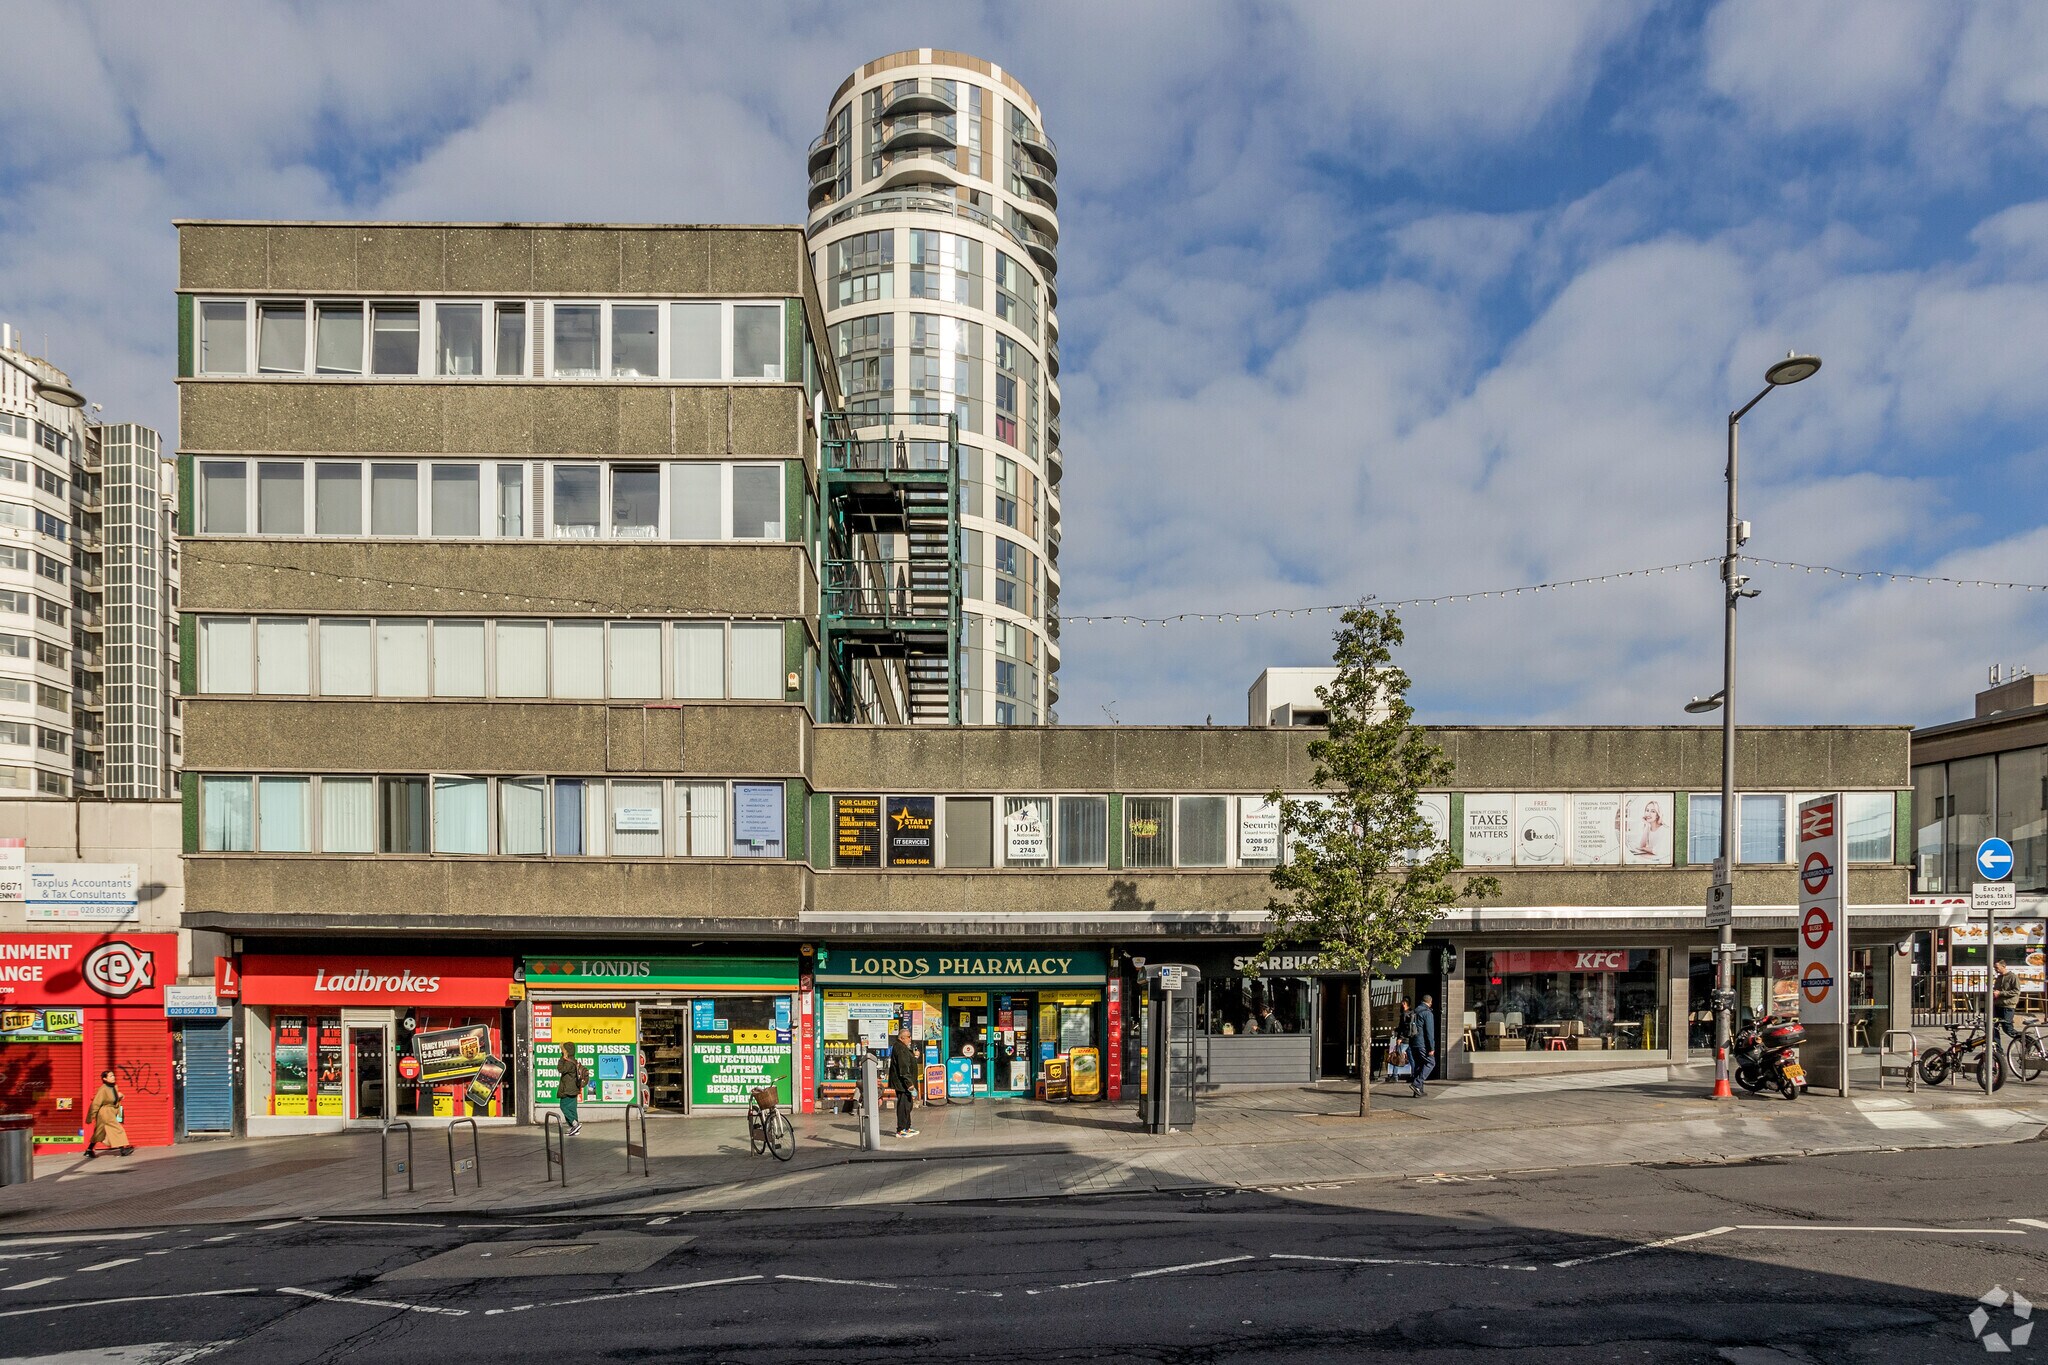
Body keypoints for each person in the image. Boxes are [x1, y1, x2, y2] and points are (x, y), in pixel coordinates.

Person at [84, 1069, 133, 1159]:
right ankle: (123, 1150)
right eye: (110, 1076)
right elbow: (96, 1103)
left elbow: (113, 1100)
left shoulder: (113, 1087)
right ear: (105, 1079)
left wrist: (119, 1097)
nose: (113, 1077)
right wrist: (91, 1116)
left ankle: (89, 1150)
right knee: (117, 1129)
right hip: (105, 1112)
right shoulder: (103, 1089)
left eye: (113, 1075)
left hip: (110, 1112)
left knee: (99, 1132)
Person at [887, 1025, 921, 1138]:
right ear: (902, 1038)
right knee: (903, 1106)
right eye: (908, 1037)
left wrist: (914, 1056)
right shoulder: (900, 1048)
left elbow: (907, 1060)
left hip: (904, 1082)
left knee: (908, 1104)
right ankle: (901, 1129)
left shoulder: (902, 1047)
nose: (910, 1039)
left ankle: (907, 1127)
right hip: (902, 1083)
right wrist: (909, 1084)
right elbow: (903, 1067)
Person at [1410, 995, 1438, 1098]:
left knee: (1419, 1065)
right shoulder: (1427, 1013)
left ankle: (1418, 1091)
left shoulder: (1414, 1011)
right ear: (1430, 1002)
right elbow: (1430, 1033)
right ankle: (1417, 1084)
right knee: (1431, 1062)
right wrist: (1431, 1048)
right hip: (1423, 1044)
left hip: (1413, 1043)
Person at [555, 1049, 587, 1136]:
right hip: (574, 1088)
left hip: (568, 1089)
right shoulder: (574, 1061)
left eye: (563, 1050)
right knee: (572, 1109)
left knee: (563, 1106)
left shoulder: (568, 1062)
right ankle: (575, 1129)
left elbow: (560, 1069)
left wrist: (562, 1058)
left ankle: (575, 1124)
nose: (561, 1052)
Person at [1995, 966, 2023, 1043]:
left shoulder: (2012, 977)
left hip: (2008, 1006)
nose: (1995, 969)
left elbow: (2016, 991)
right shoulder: (1999, 978)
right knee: (1992, 1027)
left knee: (2007, 1028)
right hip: (1997, 1005)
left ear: (2003, 966)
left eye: (1997, 967)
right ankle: (1997, 1050)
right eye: (1994, 967)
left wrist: (2000, 993)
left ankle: (2026, 1040)